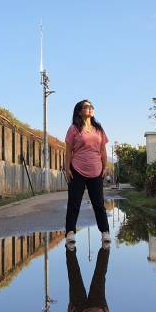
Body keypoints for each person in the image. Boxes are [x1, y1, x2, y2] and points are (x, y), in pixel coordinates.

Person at [64, 100, 110, 249]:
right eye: (86, 107)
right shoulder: (74, 129)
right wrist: (67, 168)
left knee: (98, 204)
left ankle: (105, 232)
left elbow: (103, 150)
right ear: (79, 111)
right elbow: (68, 150)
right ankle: (70, 232)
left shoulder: (99, 129)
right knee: (74, 203)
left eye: (91, 107)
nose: (89, 109)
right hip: (77, 169)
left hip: (96, 170)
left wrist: (105, 166)